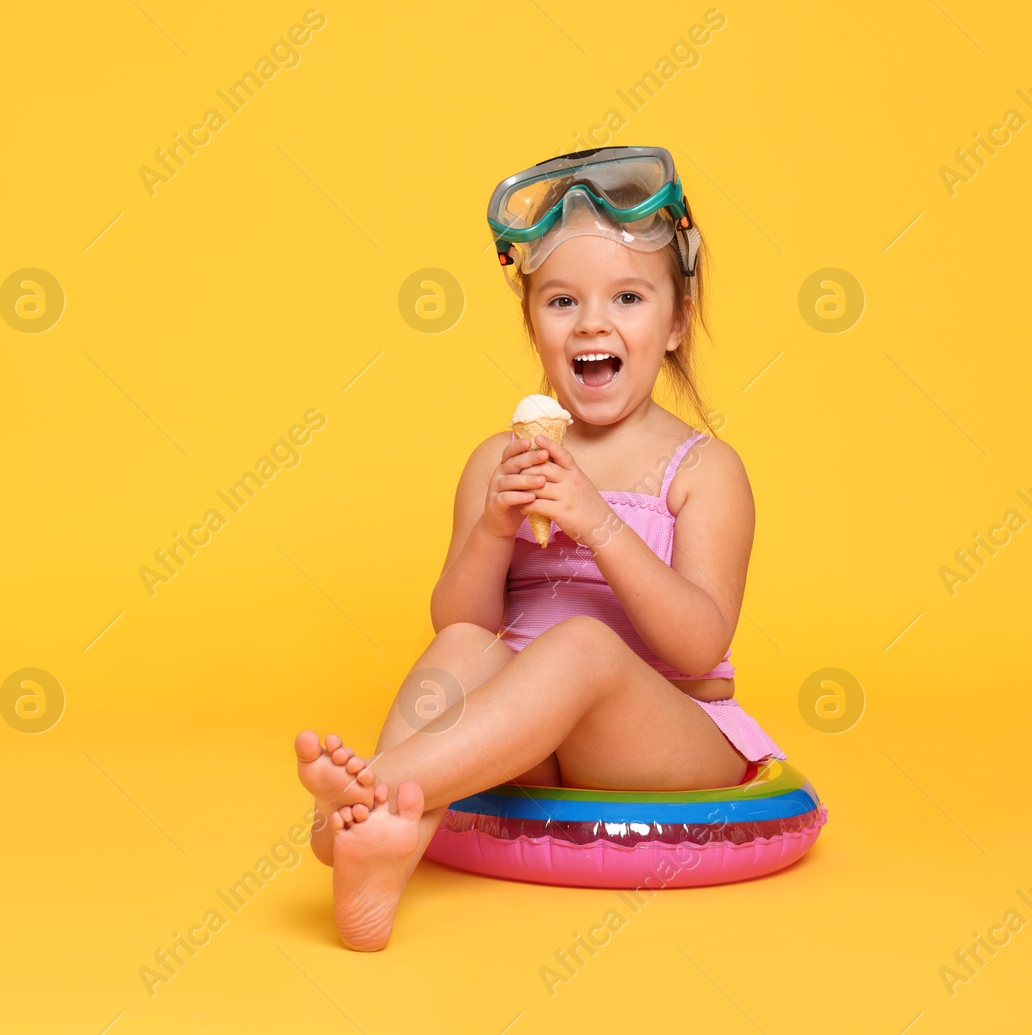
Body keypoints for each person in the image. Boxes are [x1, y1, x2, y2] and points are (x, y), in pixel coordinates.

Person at [294, 145, 786, 951]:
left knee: (583, 644)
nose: (593, 322)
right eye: (563, 301)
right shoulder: (500, 460)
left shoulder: (702, 471)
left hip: (658, 734)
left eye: (628, 296)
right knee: (458, 640)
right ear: (534, 325)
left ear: (674, 323)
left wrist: (597, 521)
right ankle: (382, 852)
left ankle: (370, 793)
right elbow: (459, 616)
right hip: (528, 743)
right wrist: (493, 526)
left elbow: (702, 639)